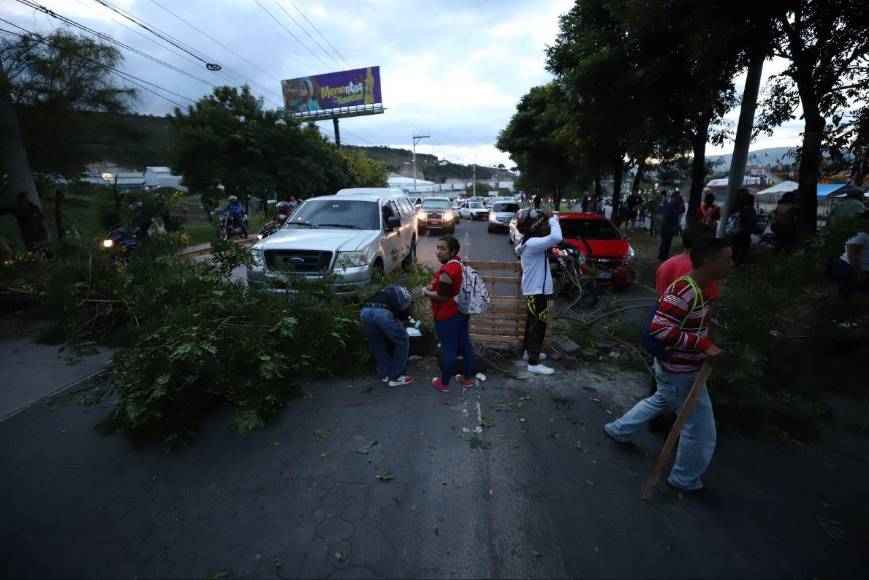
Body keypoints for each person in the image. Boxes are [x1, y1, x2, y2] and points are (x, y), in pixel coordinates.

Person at [605, 237, 733, 492]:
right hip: (680, 373)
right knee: (699, 429)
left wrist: (701, 343)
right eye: (727, 259)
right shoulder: (684, 291)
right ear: (708, 262)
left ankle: (618, 429)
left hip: (678, 369)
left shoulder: (698, 289)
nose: (732, 264)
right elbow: (659, 329)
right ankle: (684, 479)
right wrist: (702, 345)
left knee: (661, 399)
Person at [421, 235, 476, 392]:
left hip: (447, 316)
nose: (438, 251)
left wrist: (425, 292)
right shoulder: (459, 264)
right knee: (466, 346)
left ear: (452, 251)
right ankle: (466, 378)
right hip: (461, 313)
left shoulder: (448, 270)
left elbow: (442, 296)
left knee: (449, 349)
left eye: (443, 248)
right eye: (437, 248)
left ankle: (444, 383)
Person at [514, 209, 562, 375]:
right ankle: (533, 363)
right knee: (538, 324)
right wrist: (552, 219)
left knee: (532, 322)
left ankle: (529, 352)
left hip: (533, 290)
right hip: (536, 291)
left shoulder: (526, 243)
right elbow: (557, 238)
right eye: (539, 223)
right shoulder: (533, 244)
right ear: (534, 226)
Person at [360, 284, 415, 387]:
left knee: (376, 342)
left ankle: (385, 374)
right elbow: (404, 317)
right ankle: (397, 377)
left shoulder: (388, 290)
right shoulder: (407, 299)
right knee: (402, 340)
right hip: (383, 313)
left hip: (365, 311)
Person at [831, 211, 869, 298]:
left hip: (855, 269)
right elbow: (852, 256)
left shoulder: (864, 235)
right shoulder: (861, 235)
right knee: (850, 296)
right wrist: (859, 274)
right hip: (850, 269)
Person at [731, 191, 758, 265]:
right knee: (744, 247)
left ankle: (734, 261)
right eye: (753, 200)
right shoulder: (750, 209)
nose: (753, 202)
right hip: (745, 232)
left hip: (736, 231)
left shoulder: (737, 209)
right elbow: (754, 220)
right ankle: (741, 262)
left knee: (736, 247)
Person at [657, 192, 680, 261]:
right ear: (673, 198)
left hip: (666, 226)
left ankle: (661, 255)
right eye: (676, 198)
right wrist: (677, 227)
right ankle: (663, 257)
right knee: (666, 243)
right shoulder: (671, 206)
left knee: (664, 242)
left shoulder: (671, 206)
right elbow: (670, 218)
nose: (677, 199)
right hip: (668, 227)